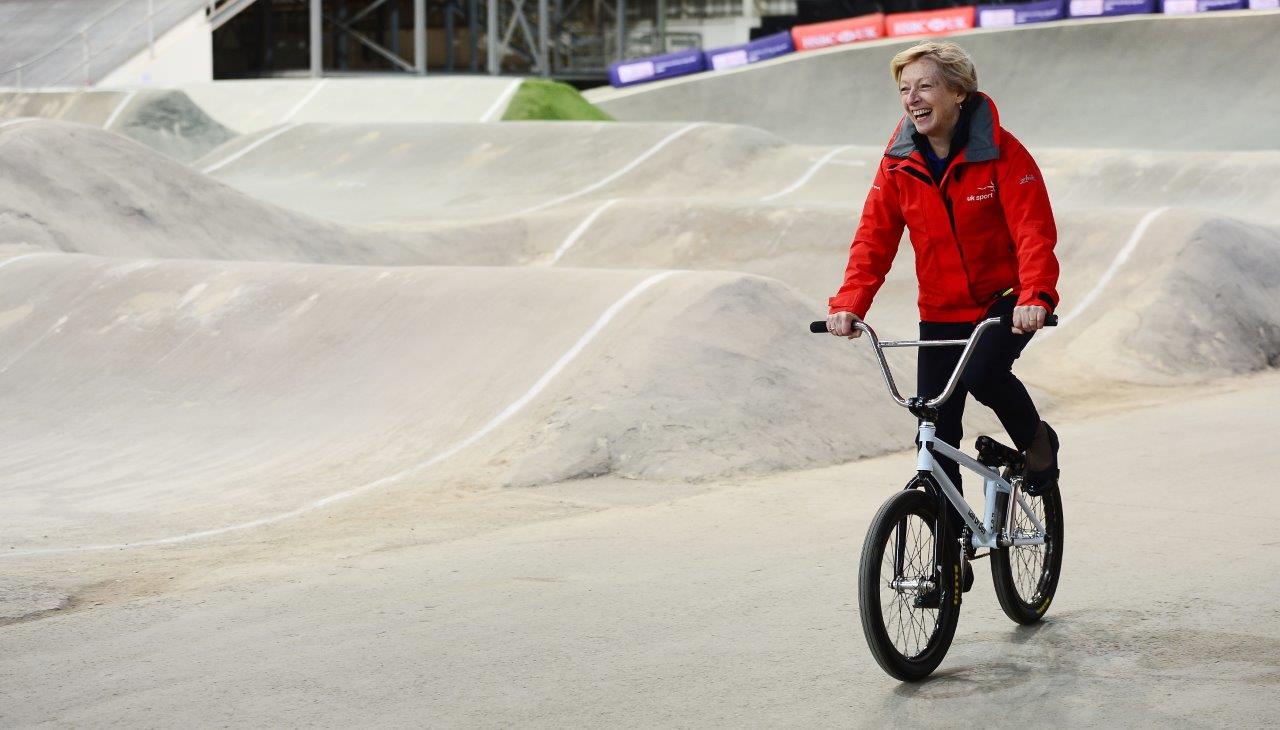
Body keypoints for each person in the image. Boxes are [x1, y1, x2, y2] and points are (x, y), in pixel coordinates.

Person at [825, 41, 1061, 505]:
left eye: (925, 86)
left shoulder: (1003, 153)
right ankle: (947, 551)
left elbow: (1033, 230)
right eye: (904, 89)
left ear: (958, 92)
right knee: (934, 428)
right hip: (940, 308)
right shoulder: (898, 163)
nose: (912, 98)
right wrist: (849, 305)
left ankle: (1038, 443)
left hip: (1006, 298)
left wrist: (1035, 296)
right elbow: (874, 238)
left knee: (982, 375)